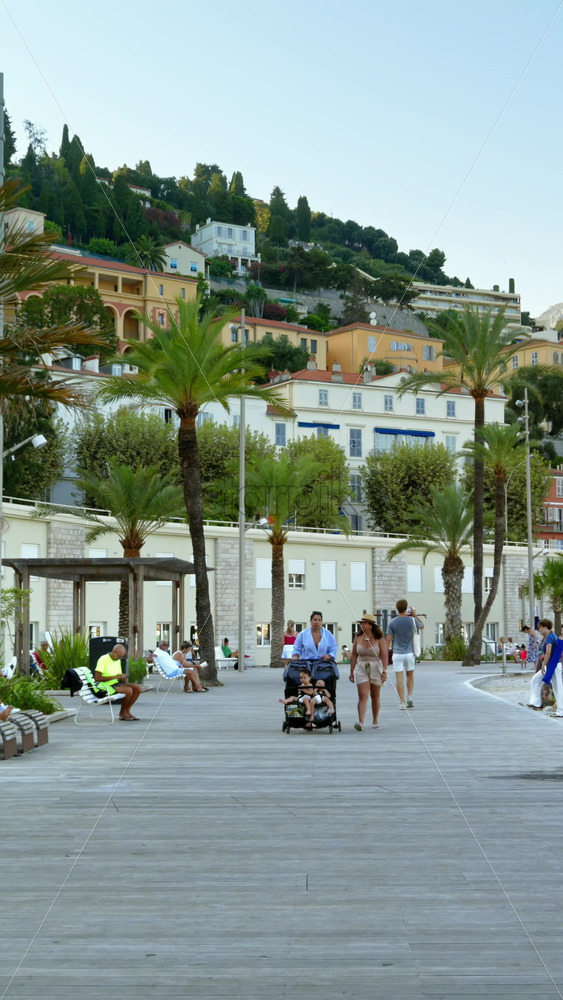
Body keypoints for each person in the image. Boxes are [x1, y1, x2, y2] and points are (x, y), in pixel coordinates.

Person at [349, 614, 389, 731]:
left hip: (376, 666)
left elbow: (385, 656)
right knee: (362, 695)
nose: (362, 625)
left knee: (375, 695)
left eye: (364, 623)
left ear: (370, 625)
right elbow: (354, 654)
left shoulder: (379, 637)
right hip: (361, 666)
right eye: (361, 623)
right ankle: (361, 721)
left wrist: (385, 671)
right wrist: (351, 671)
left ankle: (375, 720)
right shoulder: (358, 636)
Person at [386, 601, 424, 710]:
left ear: (397, 608)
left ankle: (402, 702)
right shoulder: (412, 620)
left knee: (399, 678)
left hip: (397, 653)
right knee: (410, 675)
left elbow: (388, 640)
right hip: (409, 653)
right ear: (406, 608)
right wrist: (414, 615)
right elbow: (422, 626)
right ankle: (410, 696)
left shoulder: (392, 622)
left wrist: (384, 653)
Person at [94, 643, 143, 721]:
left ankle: (127, 711)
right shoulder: (103, 659)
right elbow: (97, 678)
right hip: (105, 686)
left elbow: (118, 676)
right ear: (114, 651)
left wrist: (122, 677)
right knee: (128, 690)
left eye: (121, 657)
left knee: (138, 688)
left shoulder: (117, 660)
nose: (119, 658)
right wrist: (116, 677)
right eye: (119, 656)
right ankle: (123, 713)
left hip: (115, 684)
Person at [527, 619, 563, 716]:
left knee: (557, 687)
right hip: (552, 665)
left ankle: (561, 711)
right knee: (536, 679)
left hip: (553, 665)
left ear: (545, 627)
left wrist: (543, 665)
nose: (539, 630)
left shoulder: (549, 637)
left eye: (540, 628)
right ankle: (536, 703)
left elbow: (548, 652)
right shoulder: (553, 636)